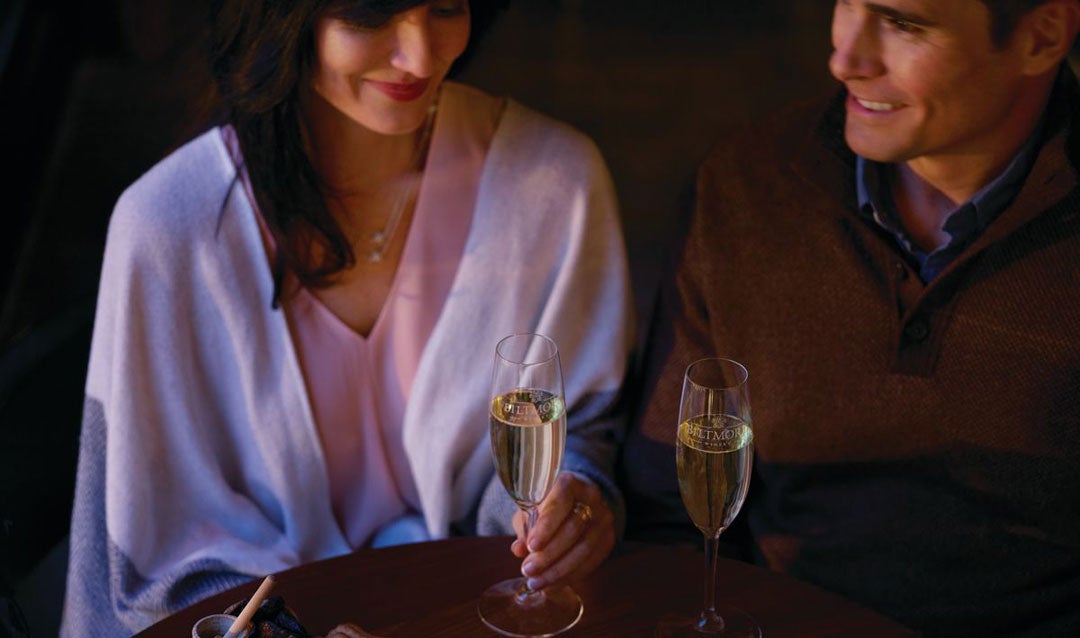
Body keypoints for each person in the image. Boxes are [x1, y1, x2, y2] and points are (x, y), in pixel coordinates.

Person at [61, 0, 634, 634]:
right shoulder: (168, 230)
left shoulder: (553, 186)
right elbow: (143, 560)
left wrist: (570, 500)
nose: (420, 55)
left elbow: (583, 423)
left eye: (445, 6)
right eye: (370, 14)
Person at [622, 0, 1080, 636]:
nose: (844, 59)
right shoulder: (745, 188)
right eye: (846, 3)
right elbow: (667, 508)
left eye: (903, 23)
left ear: (1043, 34)